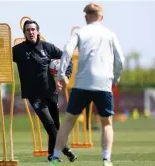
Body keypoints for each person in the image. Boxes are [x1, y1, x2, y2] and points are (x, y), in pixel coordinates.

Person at [50, 3, 125, 166]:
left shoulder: (80, 32)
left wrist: (62, 75)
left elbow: (67, 50)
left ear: (85, 17)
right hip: (103, 84)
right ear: (102, 17)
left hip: (82, 84)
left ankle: (55, 158)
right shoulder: (110, 34)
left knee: (69, 121)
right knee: (106, 123)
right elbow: (120, 60)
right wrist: (115, 78)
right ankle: (106, 160)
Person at [13, 20, 77, 162]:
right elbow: (2, 59)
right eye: (28, 30)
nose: (31, 32)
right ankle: (66, 149)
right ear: (24, 33)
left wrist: (64, 77)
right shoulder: (18, 50)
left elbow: (67, 59)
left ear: (38, 32)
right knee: (49, 123)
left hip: (51, 92)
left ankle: (51, 154)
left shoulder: (47, 47)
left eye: (33, 29)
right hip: (33, 95)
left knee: (55, 124)